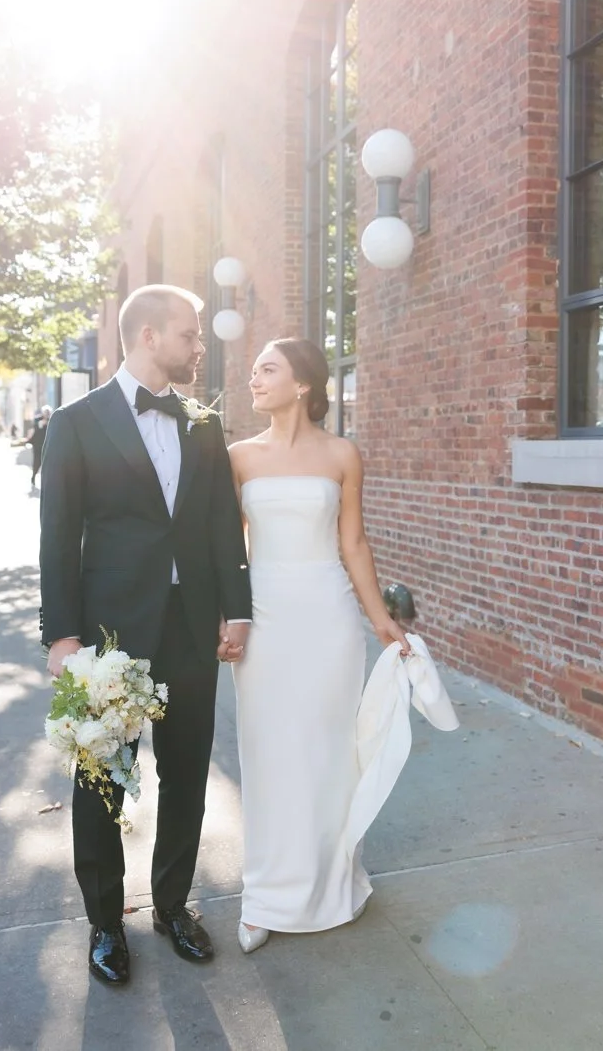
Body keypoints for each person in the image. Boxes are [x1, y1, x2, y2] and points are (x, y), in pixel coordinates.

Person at [38, 285, 252, 985]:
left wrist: (236, 606)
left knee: (186, 771)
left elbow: (222, 521)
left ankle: (172, 904)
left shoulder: (202, 421)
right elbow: (57, 539)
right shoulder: (75, 422)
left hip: (193, 627)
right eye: (190, 334)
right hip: (109, 632)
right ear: (150, 335)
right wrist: (62, 636)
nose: (200, 346)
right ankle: (105, 922)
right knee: (103, 776)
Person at [224, 337, 409, 953]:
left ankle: (333, 882)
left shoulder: (343, 454)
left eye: (266, 370)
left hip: (327, 616)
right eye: (253, 372)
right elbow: (229, 551)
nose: (254, 380)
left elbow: (353, 543)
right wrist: (228, 617)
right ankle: (266, 896)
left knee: (328, 750)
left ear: (302, 383)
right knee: (269, 752)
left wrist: (380, 618)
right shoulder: (238, 456)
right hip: (264, 617)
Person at [28, 408, 51, 492]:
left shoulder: (51, 419)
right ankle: (33, 476)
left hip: (46, 445)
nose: (46, 414)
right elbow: (35, 428)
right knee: (37, 462)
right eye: (45, 412)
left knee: (46, 464)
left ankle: (45, 482)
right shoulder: (38, 419)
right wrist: (41, 424)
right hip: (37, 445)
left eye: (48, 413)